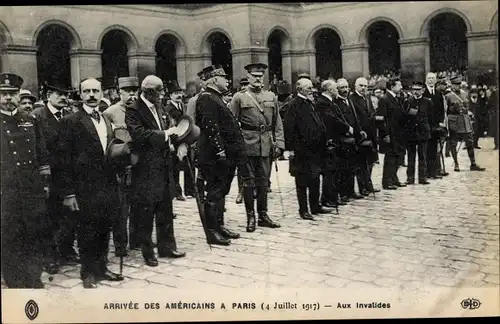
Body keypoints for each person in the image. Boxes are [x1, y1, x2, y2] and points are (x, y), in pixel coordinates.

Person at [56, 77, 124, 288]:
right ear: (81, 94)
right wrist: (68, 193)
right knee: (87, 229)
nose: (92, 95)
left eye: (96, 91)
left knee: (105, 226)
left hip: (108, 183)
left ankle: (102, 268)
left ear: (102, 93)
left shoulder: (105, 119)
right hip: (84, 186)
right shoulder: (71, 121)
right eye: (87, 91)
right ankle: (88, 272)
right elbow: (63, 159)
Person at [125, 75, 187, 267]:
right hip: (145, 167)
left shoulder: (159, 105)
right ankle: (147, 251)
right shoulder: (134, 109)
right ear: (148, 92)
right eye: (159, 91)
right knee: (146, 210)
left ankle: (167, 246)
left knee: (165, 207)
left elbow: (168, 126)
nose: (162, 94)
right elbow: (139, 135)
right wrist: (165, 134)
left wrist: (177, 139)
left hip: (164, 164)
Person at [1, 73, 50, 288]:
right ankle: (14, 281)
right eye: (3, 94)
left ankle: (33, 276)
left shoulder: (30, 120)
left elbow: (41, 154)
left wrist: (45, 183)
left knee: (34, 233)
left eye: (12, 94)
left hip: (32, 190)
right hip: (6, 192)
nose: (8, 98)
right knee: (10, 237)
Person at [195, 65, 248, 244]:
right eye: (224, 78)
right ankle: (211, 232)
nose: (227, 81)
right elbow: (211, 128)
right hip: (215, 156)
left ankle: (219, 226)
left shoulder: (215, 97)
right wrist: (221, 151)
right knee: (214, 192)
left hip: (223, 155)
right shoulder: (206, 98)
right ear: (215, 80)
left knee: (221, 191)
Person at [230, 63, 283, 232]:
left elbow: (278, 123)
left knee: (263, 182)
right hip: (247, 145)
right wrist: (237, 147)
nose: (258, 79)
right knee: (248, 183)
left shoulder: (271, 97)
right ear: (248, 77)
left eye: (261, 76)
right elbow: (232, 124)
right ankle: (250, 216)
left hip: (266, 145)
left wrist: (279, 143)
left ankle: (263, 215)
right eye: (254, 76)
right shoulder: (239, 98)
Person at [33, 80, 79, 274]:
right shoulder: (37, 117)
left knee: (70, 215)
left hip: (68, 174)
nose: (63, 97)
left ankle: (66, 249)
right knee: (49, 216)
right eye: (57, 93)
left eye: (65, 94)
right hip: (48, 174)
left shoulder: (69, 116)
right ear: (47, 96)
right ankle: (49, 256)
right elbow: (36, 148)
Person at [284, 78, 331, 220]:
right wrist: (290, 149)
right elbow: (289, 128)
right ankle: (303, 210)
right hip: (301, 150)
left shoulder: (311, 102)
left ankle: (315, 206)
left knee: (315, 178)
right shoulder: (293, 105)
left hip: (316, 149)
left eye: (311, 87)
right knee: (302, 180)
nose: (312, 90)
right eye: (308, 88)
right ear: (299, 90)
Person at [103, 76, 140, 254]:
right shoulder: (110, 112)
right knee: (121, 207)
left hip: (140, 162)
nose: (132, 94)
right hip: (121, 164)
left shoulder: (141, 110)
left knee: (139, 204)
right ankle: (120, 244)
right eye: (127, 91)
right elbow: (109, 140)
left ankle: (136, 239)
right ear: (120, 93)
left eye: (135, 91)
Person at [315, 80, 347, 208]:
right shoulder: (323, 103)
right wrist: (346, 127)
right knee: (329, 171)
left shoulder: (329, 102)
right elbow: (332, 119)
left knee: (334, 170)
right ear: (329, 90)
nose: (337, 91)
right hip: (329, 141)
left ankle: (332, 196)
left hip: (334, 140)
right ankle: (327, 198)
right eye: (335, 89)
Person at [446, 76, 486, 172]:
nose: (457, 86)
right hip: (454, 122)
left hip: (464, 121)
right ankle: (456, 164)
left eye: (459, 84)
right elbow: (445, 110)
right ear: (451, 85)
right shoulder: (448, 96)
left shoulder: (464, 94)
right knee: (453, 143)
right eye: (455, 84)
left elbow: (468, 106)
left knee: (470, 142)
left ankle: (473, 163)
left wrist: (468, 112)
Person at [334, 78, 366, 201]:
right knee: (343, 167)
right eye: (342, 88)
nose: (345, 90)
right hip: (343, 139)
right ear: (337, 89)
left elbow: (355, 118)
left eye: (346, 87)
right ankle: (343, 193)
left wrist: (359, 131)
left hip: (353, 138)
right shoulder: (336, 102)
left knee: (352, 165)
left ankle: (351, 190)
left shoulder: (349, 100)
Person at [375, 77, 408, 190]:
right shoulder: (385, 99)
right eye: (399, 85)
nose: (401, 87)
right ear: (392, 86)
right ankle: (387, 181)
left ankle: (394, 179)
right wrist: (385, 134)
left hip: (397, 134)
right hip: (390, 134)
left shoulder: (396, 98)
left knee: (396, 157)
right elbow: (380, 119)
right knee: (390, 158)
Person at [349, 77, 380, 196]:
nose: (363, 88)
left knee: (370, 161)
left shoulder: (367, 98)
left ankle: (368, 184)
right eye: (361, 86)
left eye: (365, 86)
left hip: (371, 133)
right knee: (361, 162)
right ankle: (362, 187)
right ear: (355, 86)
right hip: (361, 134)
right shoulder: (352, 99)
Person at [166, 81, 195, 200]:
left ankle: (190, 190)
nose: (179, 95)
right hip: (174, 140)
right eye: (175, 93)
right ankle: (177, 192)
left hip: (185, 139)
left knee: (189, 164)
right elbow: (168, 126)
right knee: (175, 167)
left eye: (180, 92)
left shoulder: (184, 106)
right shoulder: (167, 108)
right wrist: (170, 143)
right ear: (170, 95)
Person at [404, 81, 432, 185]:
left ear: (423, 90)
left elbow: (431, 117)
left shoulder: (428, 102)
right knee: (411, 157)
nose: (416, 92)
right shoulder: (408, 101)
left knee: (422, 156)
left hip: (423, 132)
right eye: (414, 89)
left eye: (418, 90)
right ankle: (410, 178)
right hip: (411, 133)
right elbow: (405, 117)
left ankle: (422, 177)